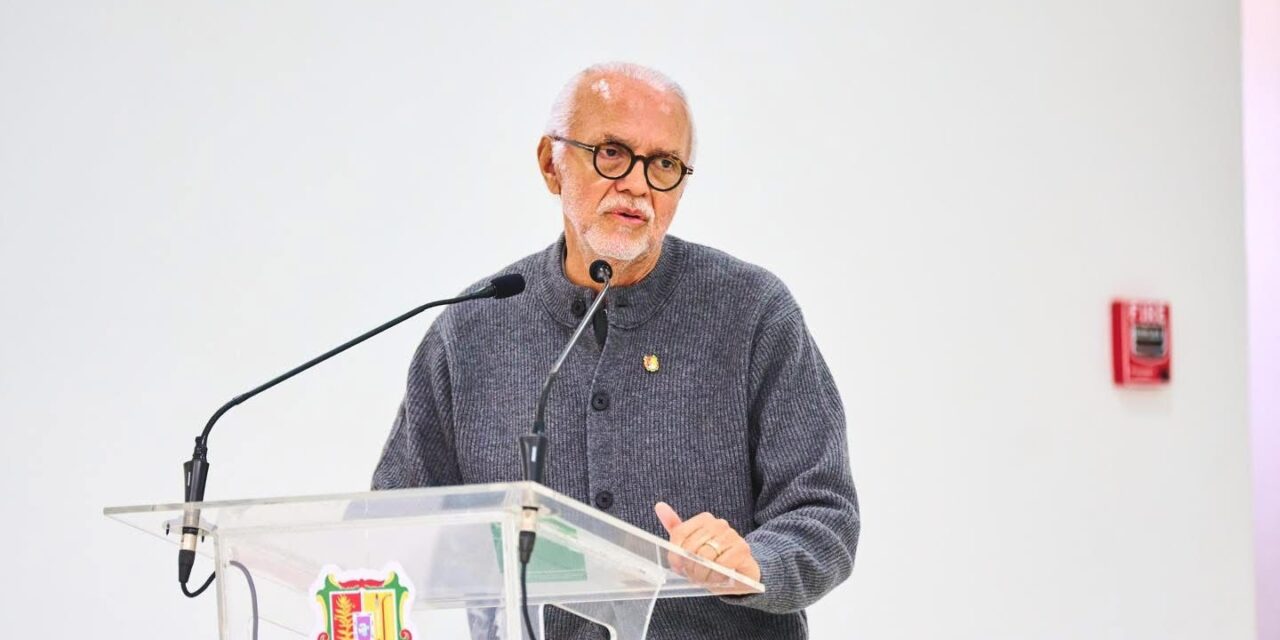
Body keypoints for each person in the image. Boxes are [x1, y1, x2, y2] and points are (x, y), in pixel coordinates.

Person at [372, 62, 859, 639]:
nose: (637, 184)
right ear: (551, 164)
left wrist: (755, 563)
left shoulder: (752, 313)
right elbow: (394, 531)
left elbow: (824, 515)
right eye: (611, 152)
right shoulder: (473, 329)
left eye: (664, 165)